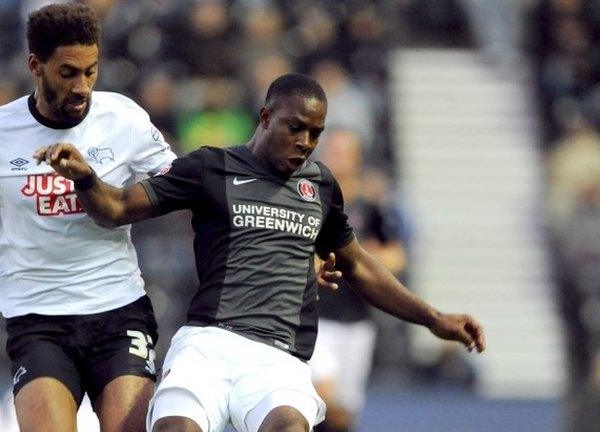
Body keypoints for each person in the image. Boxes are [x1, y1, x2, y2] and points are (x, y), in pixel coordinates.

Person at [34, 73, 486, 432]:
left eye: (316, 132)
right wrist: (86, 178)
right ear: (266, 116)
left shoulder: (320, 186)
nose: (306, 142)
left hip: (278, 357)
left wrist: (433, 318)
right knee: (175, 428)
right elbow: (115, 209)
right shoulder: (211, 167)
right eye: (296, 128)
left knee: (289, 427)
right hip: (208, 344)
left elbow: (358, 264)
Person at [0, 4, 176, 432]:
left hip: (119, 311)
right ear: (35, 66)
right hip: (38, 321)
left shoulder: (124, 120)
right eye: (68, 72)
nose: (82, 87)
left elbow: (180, 185)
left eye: (91, 71)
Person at [310, 130, 407, 432]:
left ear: (357, 158)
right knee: (322, 399)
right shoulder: (309, 202)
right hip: (315, 319)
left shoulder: (372, 206)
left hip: (357, 321)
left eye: (344, 151)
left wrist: (364, 258)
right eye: (332, 150)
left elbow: (396, 256)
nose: (337, 156)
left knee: (344, 414)